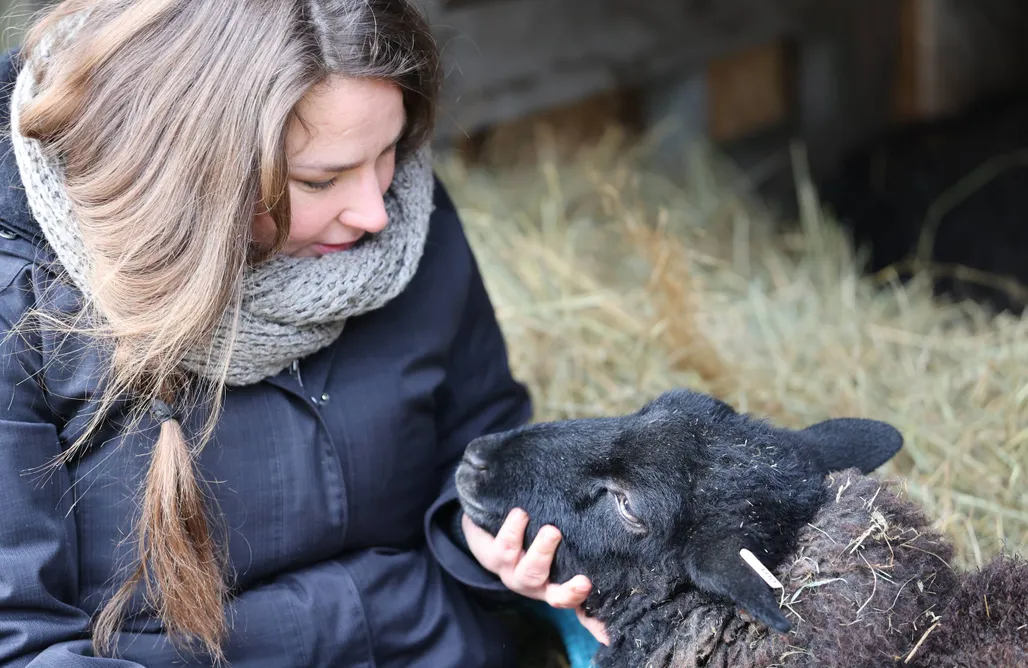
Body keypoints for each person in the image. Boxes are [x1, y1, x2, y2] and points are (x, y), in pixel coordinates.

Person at [0, 1, 605, 665]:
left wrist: (484, 534)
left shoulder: (404, 220)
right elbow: (21, 641)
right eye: (321, 178)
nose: (376, 211)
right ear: (192, 169)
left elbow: (479, 442)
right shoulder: (24, 306)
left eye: (390, 153)